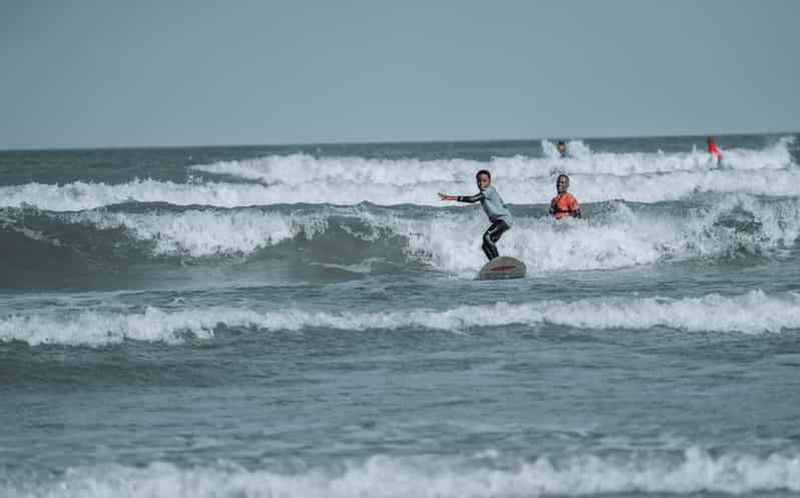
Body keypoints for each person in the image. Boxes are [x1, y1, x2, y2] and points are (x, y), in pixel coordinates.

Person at [438, 169, 512, 261]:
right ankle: (493, 264)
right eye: (479, 181)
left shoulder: (489, 190)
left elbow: (472, 199)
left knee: (487, 237)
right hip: (502, 220)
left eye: (484, 181)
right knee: (485, 245)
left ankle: (499, 262)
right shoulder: (485, 192)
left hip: (504, 219)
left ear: (489, 181)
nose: (481, 184)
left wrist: (452, 197)